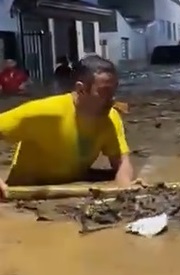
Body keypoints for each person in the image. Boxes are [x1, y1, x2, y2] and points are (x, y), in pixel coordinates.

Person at [0, 55, 136, 198]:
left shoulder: (110, 118)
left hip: (70, 187)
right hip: (24, 193)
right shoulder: (47, 112)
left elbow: (121, 162)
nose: (112, 99)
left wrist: (125, 190)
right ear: (81, 89)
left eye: (114, 91)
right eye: (105, 92)